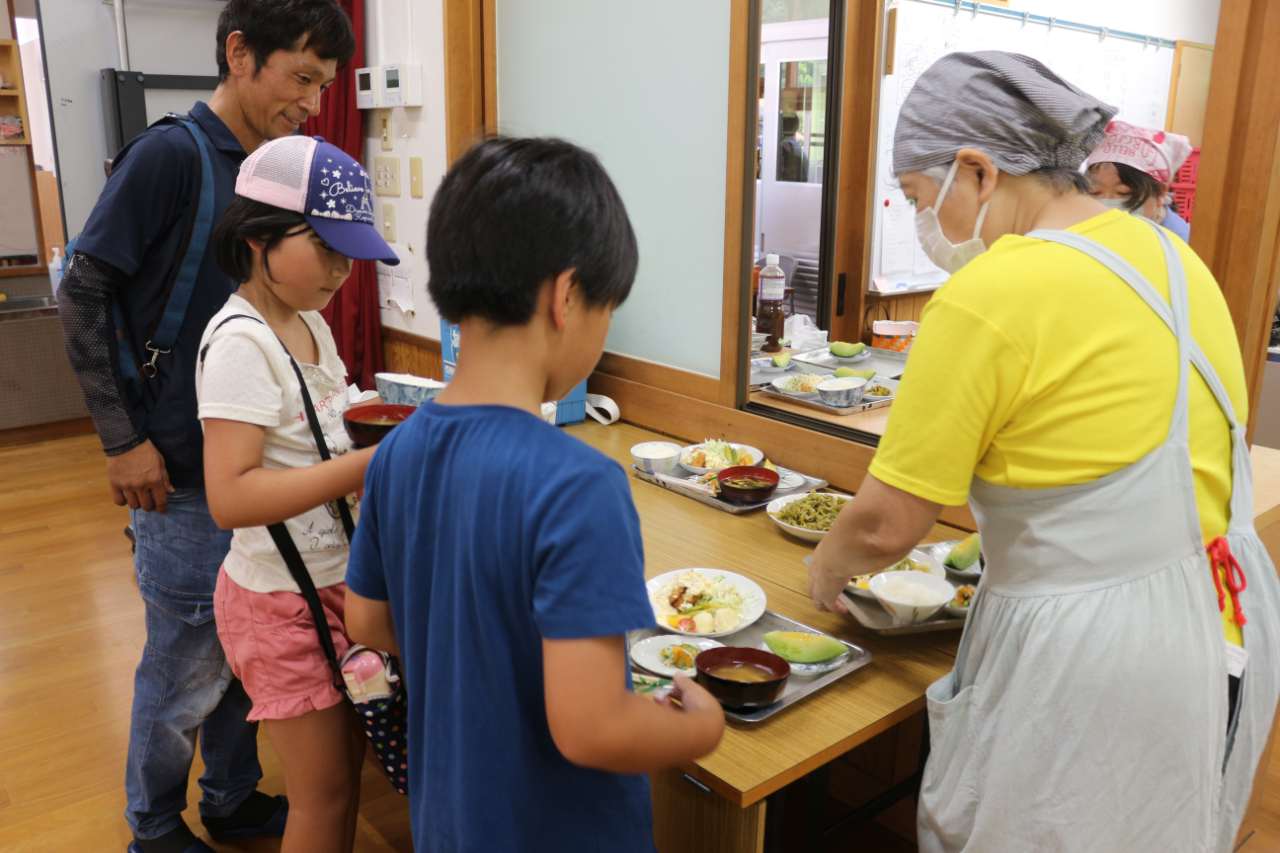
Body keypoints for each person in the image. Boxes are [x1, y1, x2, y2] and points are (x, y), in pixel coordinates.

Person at [806, 51, 1280, 853]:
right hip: (1226, 613)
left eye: (922, 199)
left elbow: (886, 527)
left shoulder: (991, 292)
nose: (929, 224)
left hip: (1093, 652)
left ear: (977, 170)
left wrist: (825, 567)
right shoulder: (1173, 256)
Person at [343, 137, 727, 852]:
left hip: (449, 821)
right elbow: (593, 726)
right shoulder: (578, 484)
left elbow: (366, 619)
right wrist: (698, 724)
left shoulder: (394, 453)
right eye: (608, 309)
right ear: (568, 295)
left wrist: (473, 651)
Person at [56, 3, 356, 851]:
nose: (311, 102)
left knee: (246, 661)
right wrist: (122, 438)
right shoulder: (169, 156)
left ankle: (229, 796)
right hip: (185, 467)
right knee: (185, 664)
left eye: (324, 87)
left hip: (261, 471)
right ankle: (152, 825)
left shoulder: (280, 170)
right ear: (238, 53)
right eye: (301, 77)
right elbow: (82, 292)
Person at [199, 134, 398, 853]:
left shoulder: (308, 321)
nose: (345, 271)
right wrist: (365, 468)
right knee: (323, 795)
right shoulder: (240, 345)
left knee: (347, 773)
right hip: (278, 602)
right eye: (328, 248)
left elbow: (319, 436)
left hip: (330, 583)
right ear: (257, 239)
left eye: (353, 253)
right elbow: (231, 496)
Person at [1085, 120, 1194, 241]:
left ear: (1161, 194)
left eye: (1124, 193)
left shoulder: (1176, 241)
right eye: (1094, 192)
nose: (1106, 204)